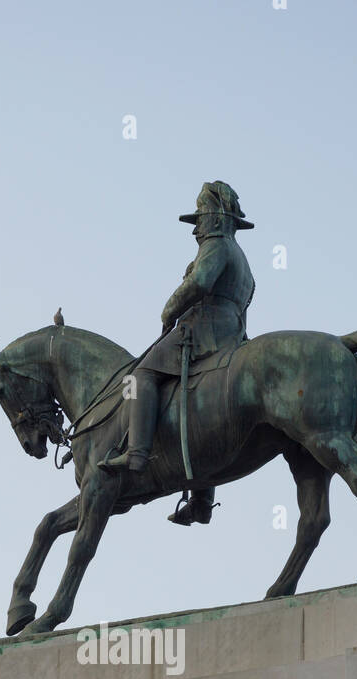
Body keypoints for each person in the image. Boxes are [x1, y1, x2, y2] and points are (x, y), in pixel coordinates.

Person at [100, 181, 256, 525]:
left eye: (199, 219)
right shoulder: (240, 256)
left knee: (140, 375)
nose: (196, 229)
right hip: (233, 332)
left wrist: (169, 309)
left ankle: (136, 455)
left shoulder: (217, 245)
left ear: (215, 218)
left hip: (203, 328)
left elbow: (199, 283)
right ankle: (201, 500)